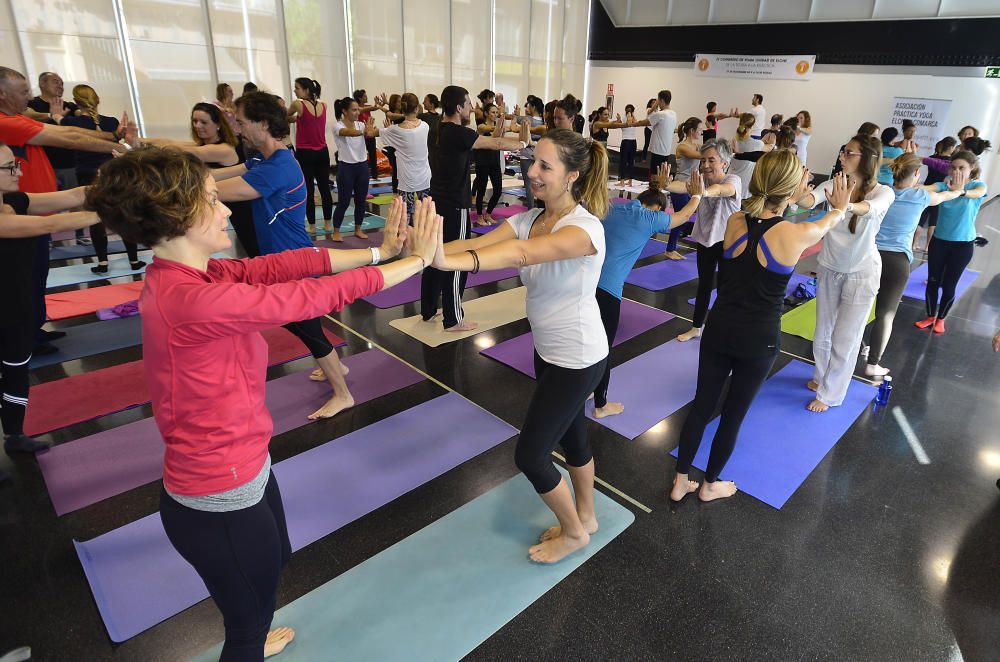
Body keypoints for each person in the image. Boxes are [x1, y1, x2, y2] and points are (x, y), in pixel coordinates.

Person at [84, 145, 440, 660]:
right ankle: (248, 631)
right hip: (217, 493)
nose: (228, 209)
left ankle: (251, 614)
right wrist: (415, 262)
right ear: (177, 214)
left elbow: (284, 266)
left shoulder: (196, 276)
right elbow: (306, 299)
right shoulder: (189, 299)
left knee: (271, 568)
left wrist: (378, 252)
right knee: (247, 627)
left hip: (245, 465)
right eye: (212, 199)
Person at [430, 128, 609, 562]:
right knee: (574, 438)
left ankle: (573, 533)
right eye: (534, 162)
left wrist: (447, 263)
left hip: (579, 356)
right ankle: (586, 516)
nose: (532, 172)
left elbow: (522, 256)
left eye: (545, 166)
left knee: (530, 455)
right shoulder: (530, 219)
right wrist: (421, 251)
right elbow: (477, 241)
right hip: (548, 350)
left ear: (572, 176)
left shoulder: (584, 229)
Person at [671, 152, 854, 502]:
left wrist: (799, 200)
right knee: (732, 416)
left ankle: (680, 482)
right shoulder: (796, 233)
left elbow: (771, 219)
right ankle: (709, 486)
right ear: (791, 187)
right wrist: (840, 206)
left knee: (702, 405)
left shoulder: (736, 221)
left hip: (719, 327)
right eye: (803, 176)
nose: (807, 180)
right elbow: (828, 222)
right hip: (758, 341)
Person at [210, 92, 356, 420]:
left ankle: (343, 394)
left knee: (304, 326)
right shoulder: (264, 156)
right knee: (300, 323)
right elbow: (230, 172)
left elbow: (225, 189)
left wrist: (185, 183)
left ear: (263, 124)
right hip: (280, 258)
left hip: (293, 261)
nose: (238, 127)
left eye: (243, 121)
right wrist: (199, 174)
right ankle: (337, 365)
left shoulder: (278, 167)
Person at [0, 67, 127, 351]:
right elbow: (68, 139)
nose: (29, 97)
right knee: (22, 280)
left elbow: (68, 131)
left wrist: (115, 139)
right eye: (23, 92)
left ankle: (33, 329)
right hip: (22, 214)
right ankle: (24, 338)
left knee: (36, 274)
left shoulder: (17, 117)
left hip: (30, 205)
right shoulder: (5, 123)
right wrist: (121, 149)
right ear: (2, 94)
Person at [0, 141, 101, 458]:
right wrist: (114, 210)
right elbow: (50, 223)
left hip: (17, 308)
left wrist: (127, 181)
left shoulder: (16, 200)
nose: (18, 171)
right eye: (9, 167)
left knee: (17, 370)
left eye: (16, 164)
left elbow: (72, 196)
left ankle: (15, 435)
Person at [795, 134, 894, 413]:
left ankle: (831, 394)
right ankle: (821, 377)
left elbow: (869, 209)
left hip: (861, 273)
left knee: (845, 338)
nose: (842, 157)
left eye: (849, 153)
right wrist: (798, 191)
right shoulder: (835, 183)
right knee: (823, 330)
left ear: (867, 159)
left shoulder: (883, 192)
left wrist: (844, 206)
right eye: (843, 152)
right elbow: (808, 201)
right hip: (829, 267)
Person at [593, 164, 701, 418]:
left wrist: (661, 186)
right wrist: (696, 194)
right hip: (607, 291)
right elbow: (683, 216)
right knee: (602, 348)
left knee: (586, 342)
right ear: (656, 209)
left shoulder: (612, 207)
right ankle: (601, 404)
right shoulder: (648, 218)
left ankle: (586, 387)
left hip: (584, 284)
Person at [420, 85, 528, 332]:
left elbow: (491, 137)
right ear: (459, 107)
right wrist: (523, 142)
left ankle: (427, 309)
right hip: (455, 206)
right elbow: (496, 143)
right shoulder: (458, 132)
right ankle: (453, 318)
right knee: (458, 258)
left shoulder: (437, 128)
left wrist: (501, 121)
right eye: (468, 103)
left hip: (437, 202)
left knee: (435, 255)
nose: (472, 107)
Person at [864, 153, 966, 376]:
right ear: (917, 174)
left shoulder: (882, 192)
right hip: (897, 262)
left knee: (861, 308)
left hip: (870, 256)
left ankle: (859, 347)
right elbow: (946, 196)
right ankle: (873, 364)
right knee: (885, 314)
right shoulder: (920, 196)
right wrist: (958, 189)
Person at [61, 85, 145, 273]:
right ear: (97, 100)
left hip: (87, 173)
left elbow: (62, 132)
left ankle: (102, 263)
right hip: (111, 172)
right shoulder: (111, 122)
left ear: (76, 102)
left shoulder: (71, 122)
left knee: (95, 217)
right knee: (122, 214)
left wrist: (59, 114)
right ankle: (133, 260)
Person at [666, 139, 741, 341]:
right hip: (706, 241)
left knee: (727, 289)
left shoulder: (733, 180)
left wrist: (702, 193)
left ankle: (724, 330)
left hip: (729, 243)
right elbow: (682, 186)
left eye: (711, 160)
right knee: (704, 285)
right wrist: (665, 184)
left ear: (724, 163)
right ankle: (697, 327)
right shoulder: (701, 180)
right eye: (703, 160)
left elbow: (723, 190)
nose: (705, 165)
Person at [914, 150, 989, 334]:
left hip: (962, 246)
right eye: (953, 167)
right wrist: (910, 185)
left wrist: (960, 191)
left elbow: (977, 193)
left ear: (971, 169)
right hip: (939, 242)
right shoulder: (942, 186)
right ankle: (930, 316)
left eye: (962, 168)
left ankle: (941, 319)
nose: (956, 171)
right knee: (933, 281)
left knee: (949, 285)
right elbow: (927, 189)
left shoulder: (978, 186)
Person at [287, 78, 333, 234]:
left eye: (297, 88)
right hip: (322, 152)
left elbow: (284, 118)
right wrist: (298, 119)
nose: (295, 91)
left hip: (305, 153)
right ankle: (328, 223)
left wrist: (295, 119)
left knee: (308, 191)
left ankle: (312, 226)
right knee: (324, 188)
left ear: (306, 90)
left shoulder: (297, 104)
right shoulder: (324, 106)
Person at [329, 96, 378, 241]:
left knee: (361, 201)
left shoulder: (361, 125)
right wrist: (363, 132)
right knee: (344, 201)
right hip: (346, 168)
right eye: (354, 110)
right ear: (344, 111)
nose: (357, 112)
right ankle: (336, 231)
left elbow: (370, 133)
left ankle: (358, 228)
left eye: (358, 110)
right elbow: (346, 133)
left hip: (362, 167)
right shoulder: (337, 126)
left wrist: (373, 131)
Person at [379, 93, 431, 220]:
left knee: (405, 215)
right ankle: (424, 237)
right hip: (424, 178)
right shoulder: (425, 126)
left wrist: (387, 130)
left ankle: (405, 238)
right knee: (426, 212)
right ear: (417, 109)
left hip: (406, 180)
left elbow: (374, 133)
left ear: (402, 109)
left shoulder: (395, 130)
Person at [661, 116, 703, 260]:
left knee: (685, 218)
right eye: (699, 130)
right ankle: (670, 249)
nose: (701, 133)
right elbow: (700, 156)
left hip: (691, 187)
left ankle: (672, 247)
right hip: (679, 186)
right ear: (692, 131)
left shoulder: (696, 145)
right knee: (681, 218)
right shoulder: (683, 147)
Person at [914, 136, 958, 252]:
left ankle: (914, 243)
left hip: (927, 187)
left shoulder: (932, 157)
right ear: (951, 147)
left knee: (921, 218)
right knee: (933, 220)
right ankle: (928, 246)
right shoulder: (950, 162)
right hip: (940, 190)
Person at [629, 90, 677, 179]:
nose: (657, 102)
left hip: (658, 150)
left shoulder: (661, 114)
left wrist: (632, 124)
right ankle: (658, 189)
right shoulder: (673, 114)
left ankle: (654, 191)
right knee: (661, 173)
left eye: (658, 100)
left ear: (661, 100)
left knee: (654, 175)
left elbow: (644, 122)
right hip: (666, 151)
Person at [473, 103, 505, 226]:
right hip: (482, 162)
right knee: (481, 191)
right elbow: (492, 135)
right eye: (493, 112)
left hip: (494, 162)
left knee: (498, 191)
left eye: (497, 112)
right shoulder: (481, 127)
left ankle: (488, 214)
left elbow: (499, 140)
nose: (495, 115)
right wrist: (500, 127)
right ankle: (480, 216)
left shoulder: (498, 126)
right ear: (486, 113)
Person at [729, 112, 764, 199]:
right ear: (753, 126)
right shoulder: (758, 144)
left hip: (731, 184)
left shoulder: (732, 141)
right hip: (745, 188)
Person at [352, 89, 379, 179]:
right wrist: (375, 106)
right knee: (361, 156)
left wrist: (379, 104)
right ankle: (361, 175)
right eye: (364, 96)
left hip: (370, 135)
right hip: (361, 136)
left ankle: (375, 175)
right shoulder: (357, 108)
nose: (366, 97)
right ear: (360, 98)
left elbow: (375, 107)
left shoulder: (367, 107)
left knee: (373, 155)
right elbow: (368, 109)